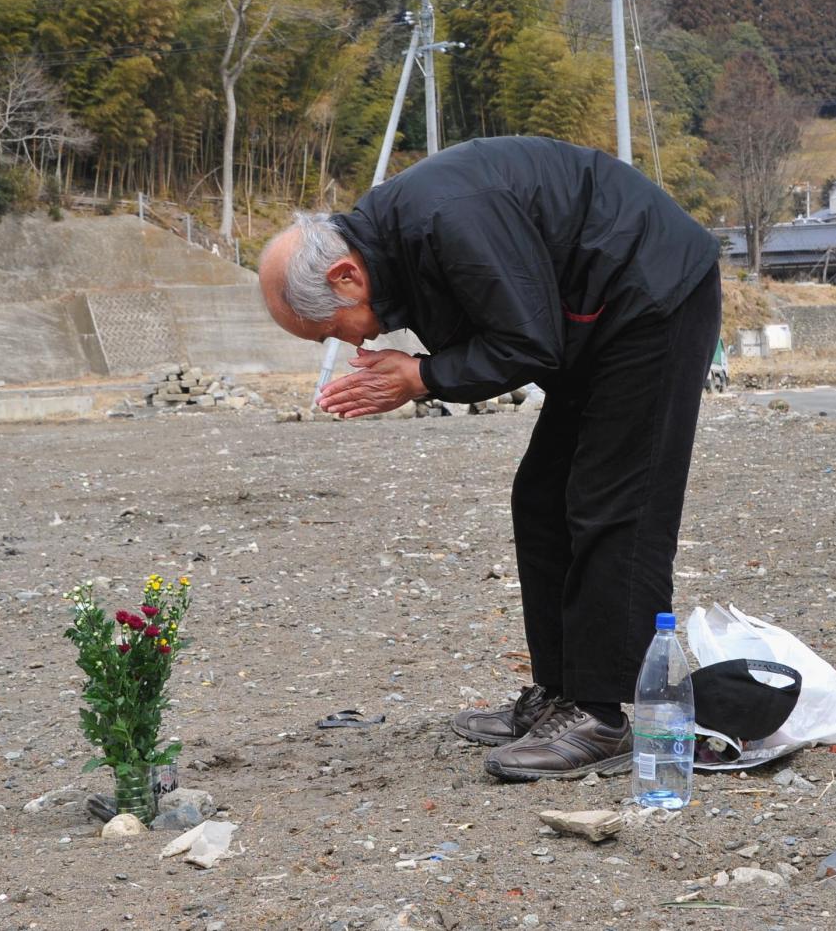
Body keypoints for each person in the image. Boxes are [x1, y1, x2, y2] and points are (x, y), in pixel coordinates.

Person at [258, 136, 721, 781]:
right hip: (591, 320)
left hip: (652, 296)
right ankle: (562, 694)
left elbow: (526, 343)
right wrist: (424, 372)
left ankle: (608, 712)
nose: (353, 339)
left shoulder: (447, 218)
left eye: (337, 327)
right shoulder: (396, 239)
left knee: (618, 503)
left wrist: (420, 377)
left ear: (345, 276)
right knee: (541, 498)